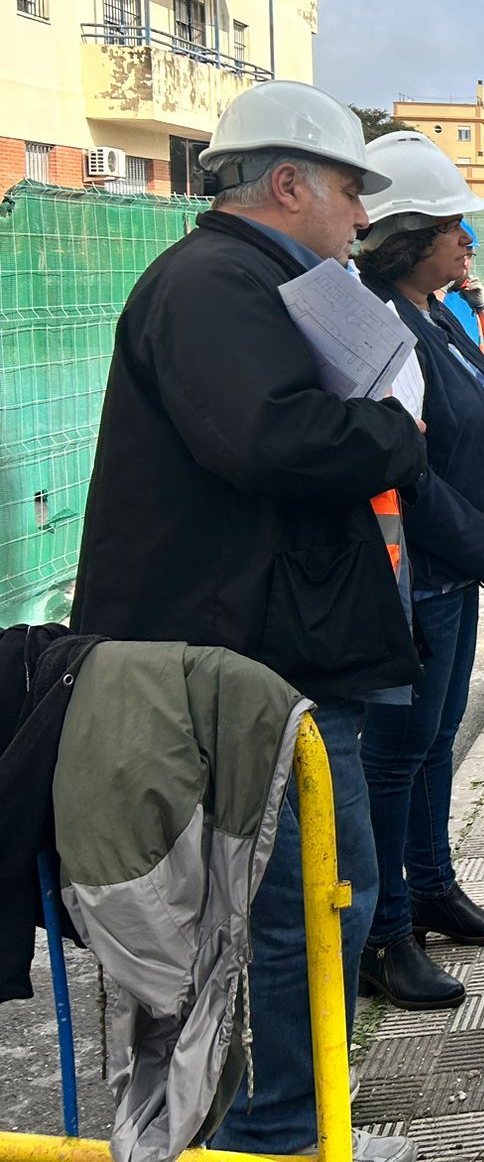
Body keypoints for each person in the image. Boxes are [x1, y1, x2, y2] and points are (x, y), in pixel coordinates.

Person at [70, 81, 427, 1162]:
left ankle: (288, 1122)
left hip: (270, 646)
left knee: (315, 898)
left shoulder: (252, 280)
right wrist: (395, 428)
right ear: (287, 183)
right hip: (245, 662)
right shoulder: (213, 286)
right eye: (350, 191)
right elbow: (274, 439)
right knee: (308, 905)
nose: (361, 217)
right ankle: (285, 1134)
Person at [354, 134, 484, 1010]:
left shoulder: (431, 312)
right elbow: (407, 473)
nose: (468, 238)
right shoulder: (380, 327)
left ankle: (431, 888)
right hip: (418, 576)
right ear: (409, 237)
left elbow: (480, 421)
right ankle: (383, 935)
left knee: (435, 738)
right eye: (452, 225)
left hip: (450, 573)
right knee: (396, 755)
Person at [439, 221, 484, 346]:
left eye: (469, 255)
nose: (467, 263)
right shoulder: (425, 293)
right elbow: (424, 322)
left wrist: (481, 306)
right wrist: (441, 288)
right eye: (461, 255)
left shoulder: (465, 292)